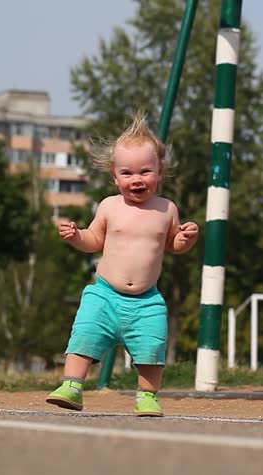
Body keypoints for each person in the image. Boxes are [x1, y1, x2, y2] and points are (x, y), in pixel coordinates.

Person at [46, 111, 199, 417]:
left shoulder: (166, 209)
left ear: (160, 171)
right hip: (104, 294)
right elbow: (94, 240)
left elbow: (172, 244)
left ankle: (147, 396)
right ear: (114, 176)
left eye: (145, 171)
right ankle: (72, 386)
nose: (137, 179)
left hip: (147, 300)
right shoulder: (109, 206)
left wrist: (186, 238)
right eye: (127, 173)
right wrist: (76, 236)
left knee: (151, 349)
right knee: (84, 335)